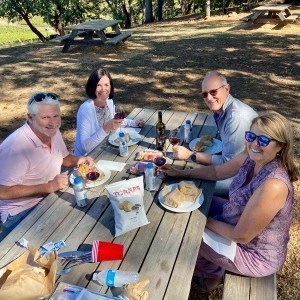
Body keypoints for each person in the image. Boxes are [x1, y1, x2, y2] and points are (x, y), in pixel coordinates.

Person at [161, 111, 299, 293]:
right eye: (251, 136)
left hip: (254, 254)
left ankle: (212, 274)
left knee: (188, 235)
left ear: (280, 145)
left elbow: (241, 236)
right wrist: (182, 173)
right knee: (195, 201)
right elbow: (219, 172)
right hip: (235, 218)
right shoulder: (251, 155)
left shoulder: (273, 185)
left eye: (264, 140)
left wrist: (201, 222)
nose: (255, 144)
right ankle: (210, 263)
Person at [0, 92, 95, 237]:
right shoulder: (16, 146)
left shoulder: (52, 132)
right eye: (45, 117)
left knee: (88, 220)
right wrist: (48, 187)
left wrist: (80, 159)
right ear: (30, 118)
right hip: (21, 213)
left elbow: (65, 158)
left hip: (50, 197)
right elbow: (3, 192)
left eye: (56, 116)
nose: (53, 123)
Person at [173, 70, 257, 196]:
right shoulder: (222, 108)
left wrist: (191, 155)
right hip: (236, 166)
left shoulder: (236, 118)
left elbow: (227, 164)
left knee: (185, 183)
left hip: (247, 178)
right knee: (181, 171)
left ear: (227, 88)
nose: (209, 98)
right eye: (204, 94)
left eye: (213, 92)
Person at [74, 68, 144, 156]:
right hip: (86, 158)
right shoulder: (86, 110)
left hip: (105, 149)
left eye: (106, 85)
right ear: (92, 87)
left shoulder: (109, 101)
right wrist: (105, 128)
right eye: (98, 85)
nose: (103, 89)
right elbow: (86, 146)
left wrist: (134, 123)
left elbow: (114, 121)